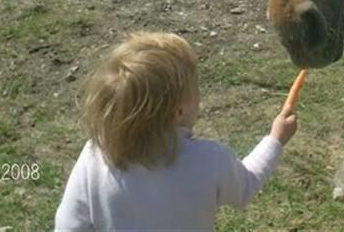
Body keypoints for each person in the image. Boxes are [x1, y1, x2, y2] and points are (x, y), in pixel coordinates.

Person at [54, 32, 298, 231]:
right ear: (179, 112)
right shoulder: (210, 160)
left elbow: (68, 225)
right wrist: (275, 139)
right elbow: (245, 186)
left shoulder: (95, 155)